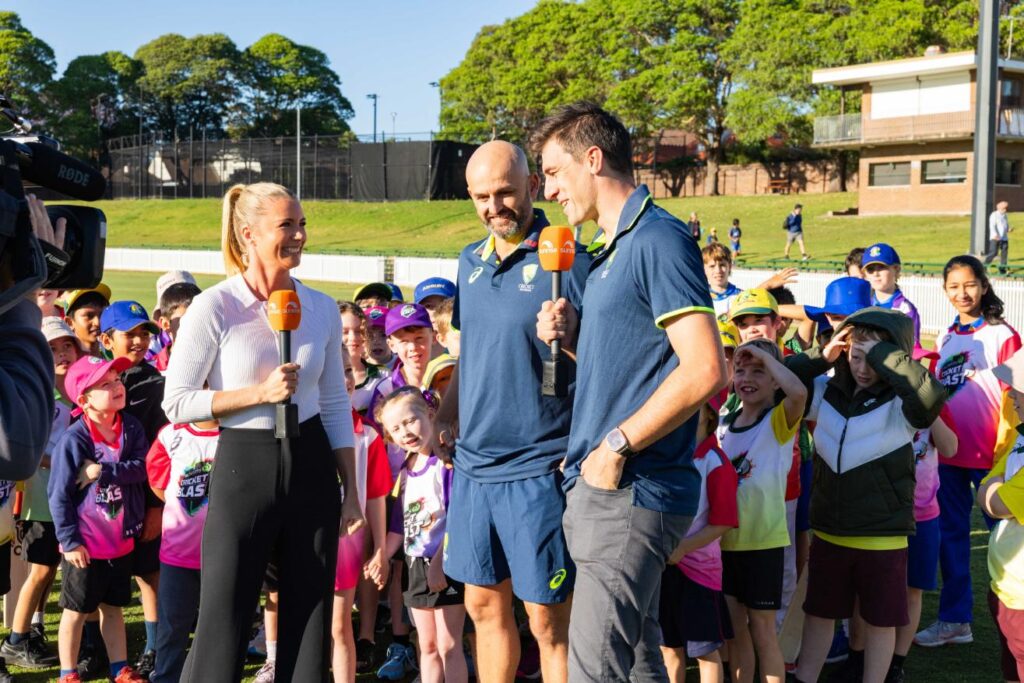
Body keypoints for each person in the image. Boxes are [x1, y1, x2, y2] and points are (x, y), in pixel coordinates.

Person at [531, 102, 726, 679]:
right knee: (638, 660)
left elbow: (704, 369)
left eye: (553, 171)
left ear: (593, 160)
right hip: (604, 489)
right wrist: (573, 340)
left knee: (593, 669)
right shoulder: (610, 248)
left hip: (631, 487)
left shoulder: (657, 238)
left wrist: (616, 447)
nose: (549, 189)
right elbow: (629, 368)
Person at [162, 182, 361, 682]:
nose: (298, 235)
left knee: (312, 619)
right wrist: (257, 393)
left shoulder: (318, 307)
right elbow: (177, 402)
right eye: (285, 225)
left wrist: (352, 490)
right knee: (223, 620)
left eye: (301, 224)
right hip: (242, 467)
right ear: (248, 233)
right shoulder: (215, 306)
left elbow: (335, 402)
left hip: (312, 466)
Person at [436, 139, 589, 683]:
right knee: (482, 609)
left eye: (505, 192)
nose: (494, 206)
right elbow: (470, 350)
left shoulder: (567, 255)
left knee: (548, 622)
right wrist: (444, 415)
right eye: (481, 196)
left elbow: (602, 364)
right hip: (475, 469)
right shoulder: (468, 261)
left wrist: (572, 339)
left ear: (531, 185)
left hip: (538, 469)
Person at [793, 309, 947, 683]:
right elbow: (785, 382)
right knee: (819, 616)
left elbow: (930, 396)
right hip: (829, 533)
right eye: (856, 356)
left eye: (874, 359)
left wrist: (886, 356)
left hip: (883, 539)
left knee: (880, 623)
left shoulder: (903, 405)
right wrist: (822, 356)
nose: (863, 368)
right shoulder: (825, 391)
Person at [917, 255, 1021, 649]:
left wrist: (1006, 448)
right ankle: (955, 619)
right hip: (949, 456)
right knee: (951, 538)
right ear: (945, 291)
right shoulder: (945, 337)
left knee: (1009, 537)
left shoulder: (1002, 334)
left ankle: (1013, 612)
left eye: (970, 284)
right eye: (953, 287)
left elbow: (1017, 395)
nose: (962, 293)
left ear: (984, 285)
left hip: (995, 457)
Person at [839, 346, 959, 683]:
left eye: (920, 371)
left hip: (922, 515)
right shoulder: (877, 402)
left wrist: (929, 409)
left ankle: (895, 664)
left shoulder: (935, 406)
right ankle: (857, 656)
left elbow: (950, 448)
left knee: (912, 590)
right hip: (879, 516)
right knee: (866, 592)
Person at [48, 355, 150, 683]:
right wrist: (70, 540)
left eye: (117, 379)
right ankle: (68, 672)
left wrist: (104, 472)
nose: (117, 386)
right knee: (76, 612)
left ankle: (119, 668)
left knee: (113, 607)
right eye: (104, 384)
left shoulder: (131, 427)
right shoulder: (75, 439)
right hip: (85, 547)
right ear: (84, 400)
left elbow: (143, 468)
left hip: (119, 542)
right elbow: (59, 494)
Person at [717, 340, 806, 683]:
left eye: (759, 371)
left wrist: (768, 358)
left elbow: (797, 393)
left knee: (763, 632)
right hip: (723, 545)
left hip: (763, 544)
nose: (747, 378)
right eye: (741, 371)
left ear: (774, 378)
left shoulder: (778, 421)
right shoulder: (722, 423)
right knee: (736, 632)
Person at [1, 318, 78, 670]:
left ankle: (29, 632)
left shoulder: (73, 394)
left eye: (67, 346)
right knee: (41, 570)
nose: (62, 354)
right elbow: (30, 453)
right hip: (40, 502)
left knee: (49, 573)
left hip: (65, 501)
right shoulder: (39, 395)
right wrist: (66, 464)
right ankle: (16, 639)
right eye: (52, 348)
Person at [379, 387, 467, 683]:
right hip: (415, 568)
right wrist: (380, 556)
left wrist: (441, 562)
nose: (405, 431)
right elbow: (398, 526)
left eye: (410, 421)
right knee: (426, 645)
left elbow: (457, 518)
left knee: (449, 645)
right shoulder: (405, 470)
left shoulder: (446, 465)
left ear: (431, 415)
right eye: (396, 428)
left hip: (445, 563)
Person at [100, 300, 168, 677]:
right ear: (108, 339)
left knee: (148, 575)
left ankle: (155, 650)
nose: (140, 341)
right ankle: (96, 647)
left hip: (144, 498)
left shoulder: (158, 385)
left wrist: (157, 507)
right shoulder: (94, 378)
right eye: (131, 334)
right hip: (100, 502)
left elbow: (163, 452)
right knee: (101, 579)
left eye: (145, 333)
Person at [659, 402, 738, 683]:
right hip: (664, 567)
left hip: (699, 574)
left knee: (705, 652)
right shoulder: (669, 456)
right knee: (669, 648)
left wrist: (683, 548)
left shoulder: (716, 462)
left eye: (696, 406)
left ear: (710, 415)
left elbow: (724, 521)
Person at [145, 412, 219, 683]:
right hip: (178, 554)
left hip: (221, 557)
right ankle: (165, 677)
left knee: (214, 628)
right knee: (173, 626)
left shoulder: (237, 433)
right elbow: (157, 483)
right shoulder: (171, 435)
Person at [332, 347, 391, 683]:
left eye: (347, 370)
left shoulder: (367, 435)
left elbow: (377, 496)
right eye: (334, 371)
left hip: (346, 546)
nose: (343, 379)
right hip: (302, 542)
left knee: (340, 627)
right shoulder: (298, 424)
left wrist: (380, 548)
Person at [979, 348, 1024, 682]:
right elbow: (987, 484)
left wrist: (991, 490)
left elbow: (996, 503)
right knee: (1010, 666)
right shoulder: (1020, 440)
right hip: (1005, 588)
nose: (1012, 396)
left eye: (1019, 390)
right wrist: (991, 490)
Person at [861, 243, 922, 345]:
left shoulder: (905, 309)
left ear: (896, 269)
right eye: (870, 269)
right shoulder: (863, 304)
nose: (876, 274)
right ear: (865, 275)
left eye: (881, 267)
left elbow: (913, 349)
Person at [338, 302, 387, 415]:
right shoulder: (320, 378)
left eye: (358, 331)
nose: (353, 338)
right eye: (344, 332)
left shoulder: (383, 376)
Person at [152, 282, 203, 373]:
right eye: (184, 320)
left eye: (200, 319)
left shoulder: (217, 361)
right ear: (165, 324)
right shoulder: (151, 367)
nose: (194, 326)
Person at [62, 286, 111, 358]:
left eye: (102, 314)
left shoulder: (114, 354)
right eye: (89, 316)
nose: (97, 322)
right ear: (69, 323)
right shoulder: (64, 362)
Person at [985, 200, 1011, 274]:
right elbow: (992, 226)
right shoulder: (994, 215)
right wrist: (995, 235)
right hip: (995, 238)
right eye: (1004, 208)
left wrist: (1008, 229)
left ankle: (1002, 269)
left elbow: (1005, 225)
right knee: (993, 253)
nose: (1006, 210)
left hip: (1004, 238)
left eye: (1006, 208)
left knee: (1004, 254)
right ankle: (983, 267)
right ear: (999, 208)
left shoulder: (1005, 215)